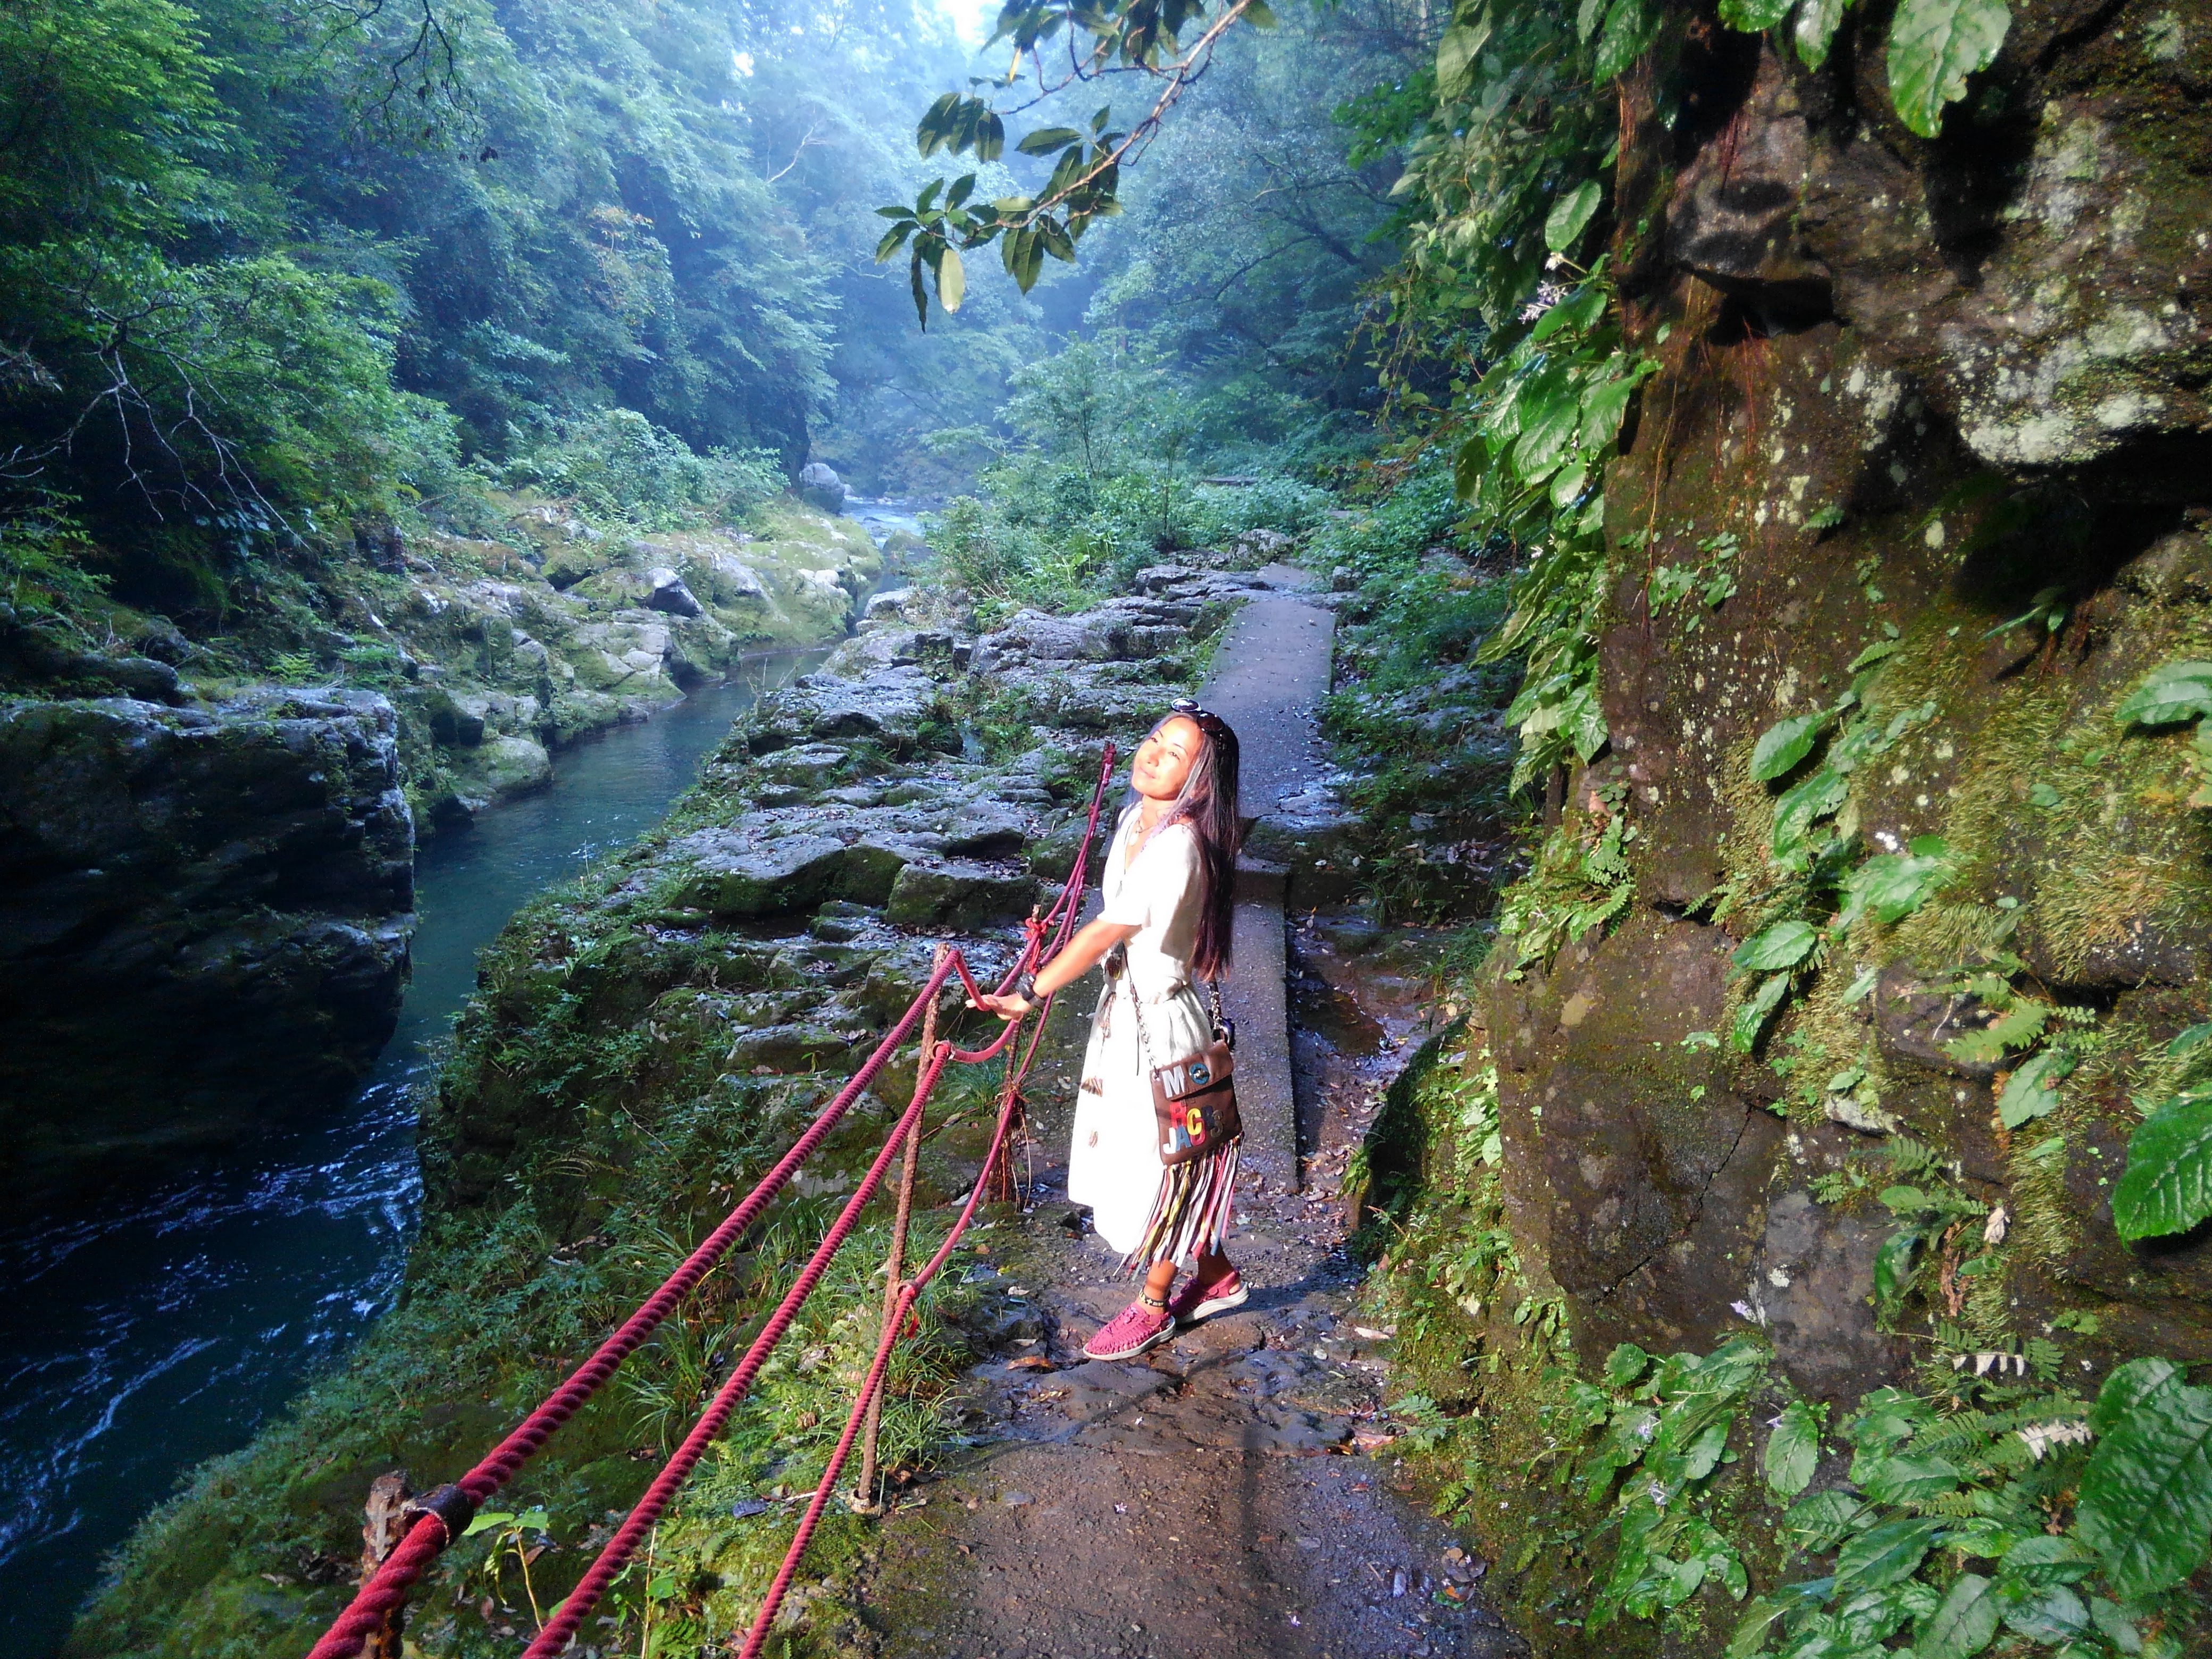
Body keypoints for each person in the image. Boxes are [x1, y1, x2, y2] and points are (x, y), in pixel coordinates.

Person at [969, 698, 1247, 1360]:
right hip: (1125, 1014)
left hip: (1163, 1026)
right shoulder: (1132, 820)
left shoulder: (1180, 843)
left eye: (1174, 753)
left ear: (1201, 780)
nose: (1152, 754)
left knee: (1170, 1164)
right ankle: (1216, 1278)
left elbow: (1105, 929)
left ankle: (1153, 1304)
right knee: (1150, 1153)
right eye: (1154, 739)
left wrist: (1030, 990)